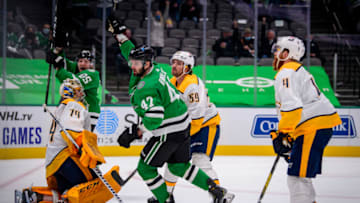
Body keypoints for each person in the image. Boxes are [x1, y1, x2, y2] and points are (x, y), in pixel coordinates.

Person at [107, 16, 234, 203]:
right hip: (182, 126)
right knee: (178, 167)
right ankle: (216, 190)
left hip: (170, 130)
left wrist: (136, 131)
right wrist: (121, 36)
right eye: (132, 63)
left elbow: (155, 116)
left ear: (147, 64)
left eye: (136, 64)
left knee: (145, 168)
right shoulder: (157, 69)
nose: (132, 66)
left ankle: (164, 200)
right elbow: (132, 54)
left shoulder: (147, 87)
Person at [17, 78, 123, 203]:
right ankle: (67, 199)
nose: (82, 94)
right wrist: (85, 149)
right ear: (70, 92)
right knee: (94, 187)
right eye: (78, 91)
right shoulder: (74, 105)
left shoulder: (62, 108)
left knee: (67, 191)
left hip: (52, 164)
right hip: (66, 159)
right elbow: (71, 129)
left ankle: (35, 196)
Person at [270, 36, 342, 203]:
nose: (275, 54)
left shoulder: (287, 72)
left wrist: (283, 134)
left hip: (312, 128)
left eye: (278, 50)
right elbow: (297, 108)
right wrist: (289, 137)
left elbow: (293, 106)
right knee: (301, 177)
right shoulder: (296, 70)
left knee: (297, 177)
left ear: (287, 53)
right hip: (313, 127)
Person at [158, 51, 228, 202]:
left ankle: (222, 196)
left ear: (188, 67)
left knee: (200, 161)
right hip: (187, 127)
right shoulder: (172, 82)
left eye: (179, 63)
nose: (174, 65)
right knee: (173, 162)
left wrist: (181, 135)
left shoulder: (192, 86)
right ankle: (165, 196)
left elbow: (197, 117)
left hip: (205, 126)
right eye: (173, 62)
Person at [46, 49, 100, 132]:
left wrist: (58, 68)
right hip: (76, 111)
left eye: (86, 61)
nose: (82, 63)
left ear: (90, 64)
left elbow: (74, 82)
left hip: (89, 113)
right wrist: (57, 52)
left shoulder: (93, 74)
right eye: (80, 61)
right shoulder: (76, 69)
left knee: (82, 142)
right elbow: (65, 63)